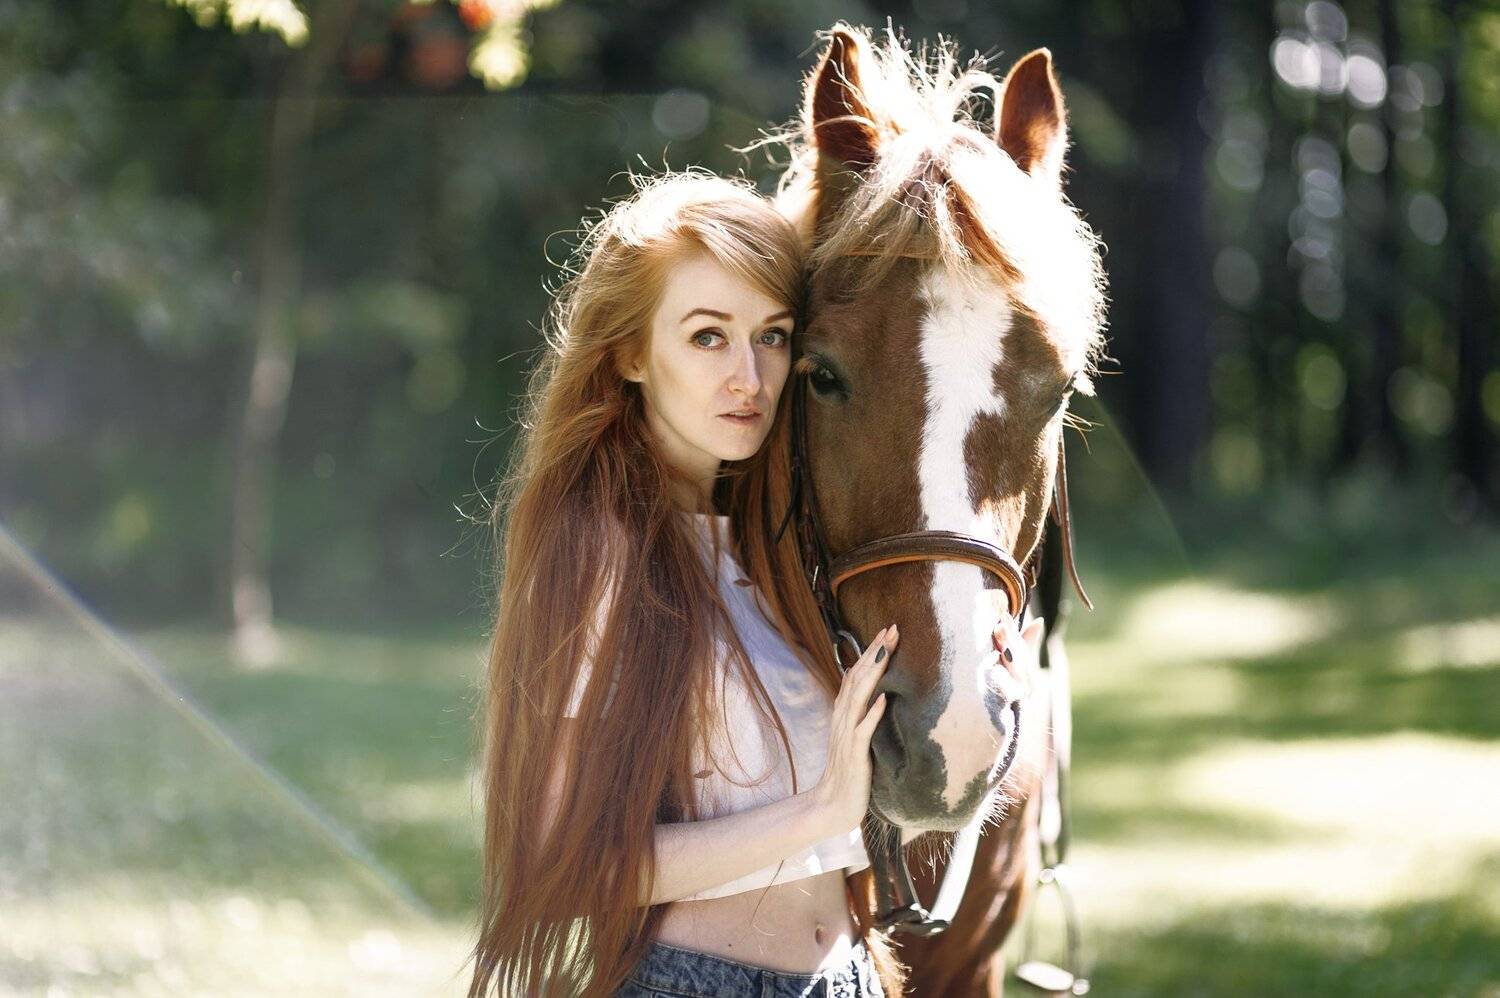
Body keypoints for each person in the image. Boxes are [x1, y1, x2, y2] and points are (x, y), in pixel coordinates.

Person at [466, 171, 896, 998]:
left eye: (772, 336)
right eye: (708, 337)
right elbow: (566, 860)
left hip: (849, 975)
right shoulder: (601, 550)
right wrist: (818, 814)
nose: (750, 376)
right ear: (630, 353)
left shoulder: (773, 548)